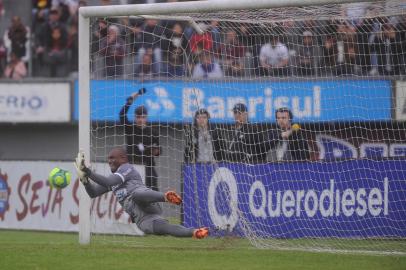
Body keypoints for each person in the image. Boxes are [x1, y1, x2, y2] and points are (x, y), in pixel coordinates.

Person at [74, 147, 209, 239]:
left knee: (136, 195)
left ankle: (166, 197)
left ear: (123, 158)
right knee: (166, 228)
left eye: (113, 158)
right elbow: (93, 193)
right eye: (108, 158)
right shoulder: (113, 180)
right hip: (142, 218)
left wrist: (88, 171)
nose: (110, 161)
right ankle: (195, 232)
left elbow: (108, 182)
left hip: (147, 202)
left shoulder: (126, 168)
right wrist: (85, 180)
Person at [119, 90, 160, 191]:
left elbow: (159, 150)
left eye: (143, 117)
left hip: (148, 167)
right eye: (138, 117)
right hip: (133, 165)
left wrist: (155, 151)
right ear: (135, 117)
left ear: (146, 118)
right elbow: (121, 115)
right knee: (132, 193)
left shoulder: (153, 132)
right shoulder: (130, 128)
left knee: (152, 191)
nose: (140, 120)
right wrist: (131, 100)